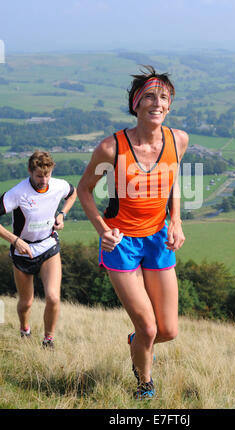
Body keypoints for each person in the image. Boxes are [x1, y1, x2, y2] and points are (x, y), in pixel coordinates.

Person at [77, 65, 188, 399]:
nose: (158, 102)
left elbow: (173, 180)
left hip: (157, 237)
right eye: (150, 96)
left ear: (170, 105)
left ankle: (137, 342)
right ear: (136, 104)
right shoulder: (111, 148)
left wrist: (177, 220)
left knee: (167, 331)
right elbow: (84, 190)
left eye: (164, 97)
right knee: (149, 328)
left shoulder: (177, 140)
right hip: (121, 243)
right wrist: (102, 230)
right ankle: (144, 386)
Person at [0, 151, 77, 348]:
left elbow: (73, 192)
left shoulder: (58, 185)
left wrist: (62, 214)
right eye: (39, 176)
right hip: (23, 251)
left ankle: (48, 340)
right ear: (30, 172)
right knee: (26, 302)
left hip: (48, 245)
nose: (44, 180)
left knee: (53, 297)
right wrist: (14, 240)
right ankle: (24, 329)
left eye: (47, 175)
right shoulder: (17, 193)